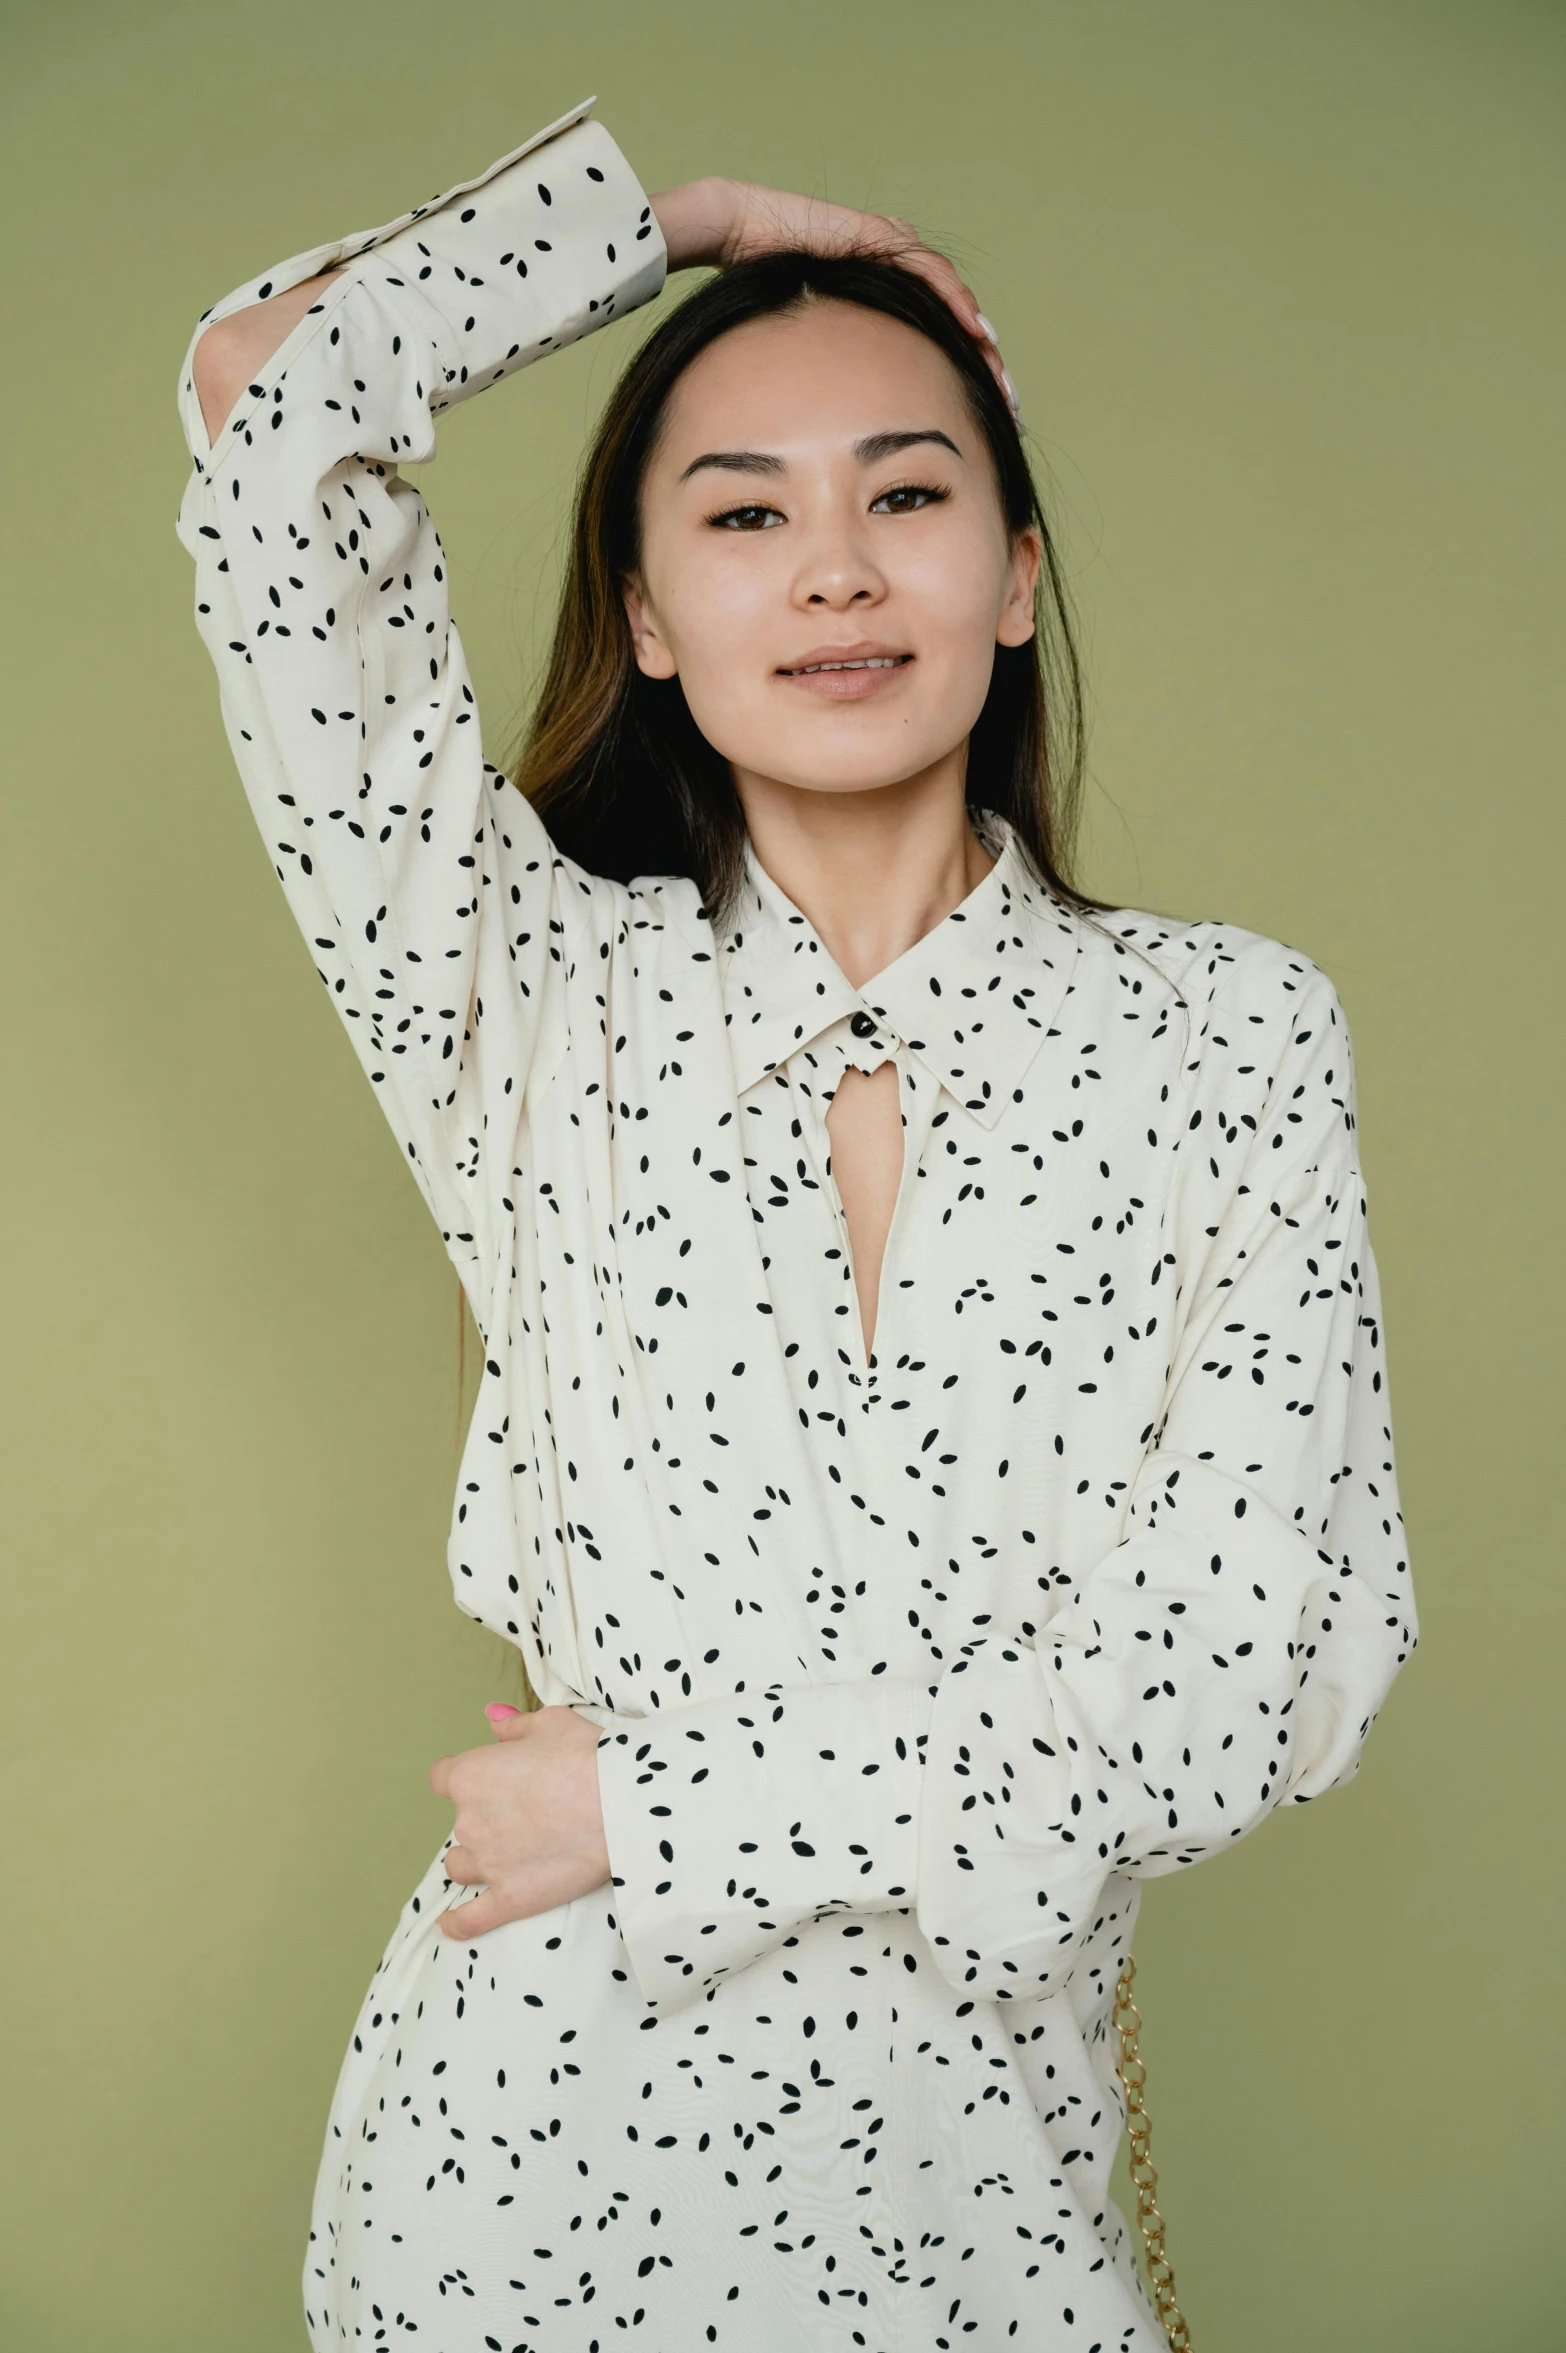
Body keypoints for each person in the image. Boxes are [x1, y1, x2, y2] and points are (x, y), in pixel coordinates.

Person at [176, 97, 1418, 2352]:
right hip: (511, 2206)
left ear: (1018, 576)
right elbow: (271, 418)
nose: (836, 570)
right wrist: (674, 235)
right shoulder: (521, 998)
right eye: (745, 514)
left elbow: (1247, 1687)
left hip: (985, 2232)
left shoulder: (1230, 1042)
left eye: (908, 494)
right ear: (648, 619)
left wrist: (651, 1802)